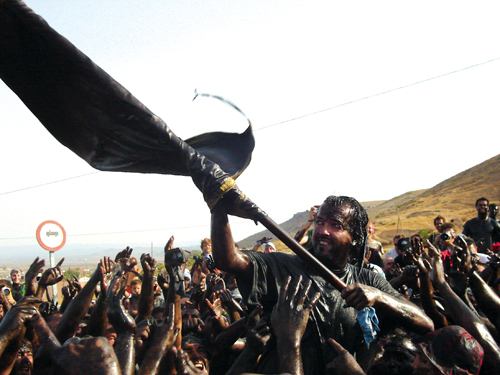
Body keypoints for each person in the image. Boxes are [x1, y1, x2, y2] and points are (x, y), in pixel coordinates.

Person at [211, 195, 434, 374]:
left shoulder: (368, 280)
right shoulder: (282, 266)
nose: (323, 231)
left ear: (355, 237)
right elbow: (228, 260)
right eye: (319, 222)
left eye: (335, 225)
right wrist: (217, 205)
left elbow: (425, 324)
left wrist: (379, 297)